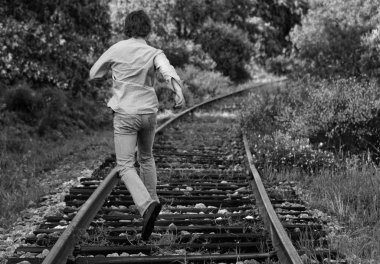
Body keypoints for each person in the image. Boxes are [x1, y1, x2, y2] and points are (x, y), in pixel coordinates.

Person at [89, 10, 185, 240]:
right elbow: (166, 70)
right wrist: (178, 90)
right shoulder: (153, 52)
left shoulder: (117, 48)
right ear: (147, 29)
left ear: (127, 28)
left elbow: (94, 73)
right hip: (148, 113)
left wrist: (112, 73)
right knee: (146, 157)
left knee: (124, 165)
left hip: (125, 113)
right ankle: (152, 203)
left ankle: (145, 205)